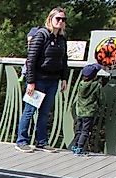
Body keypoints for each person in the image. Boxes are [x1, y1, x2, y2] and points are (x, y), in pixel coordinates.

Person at [15, 8, 69, 153]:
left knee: (45, 113)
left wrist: (64, 78)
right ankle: (21, 140)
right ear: (50, 19)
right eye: (58, 18)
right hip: (38, 80)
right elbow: (31, 60)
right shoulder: (41, 35)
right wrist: (31, 81)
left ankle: (42, 142)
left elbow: (64, 60)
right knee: (30, 111)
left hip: (53, 80)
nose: (61, 22)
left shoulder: (62, 39)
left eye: (63, 19)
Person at [71, 63, 104, 155]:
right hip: (89, 112)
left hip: (80, 111)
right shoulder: (97, 85)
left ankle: (74, 145)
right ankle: (80, 148)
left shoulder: (81, 84)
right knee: (85, 131)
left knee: (78, 130)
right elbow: (101, 98)